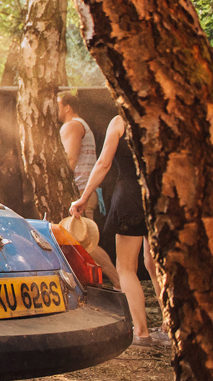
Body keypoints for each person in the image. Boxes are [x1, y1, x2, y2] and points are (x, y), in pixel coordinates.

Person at [71, 114, 169, 347]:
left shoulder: (119, 121)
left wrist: (84, 197)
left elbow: (103, 163)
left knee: (126, 267)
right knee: (155, 264)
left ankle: (142, 332)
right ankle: (169, 326)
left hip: (130, 196)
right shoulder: (165, 115)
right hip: (160, 196)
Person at [56, 91, 121, 286]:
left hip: (80, 191)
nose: (54, 109)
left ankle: (119, 282)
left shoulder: (73, 125)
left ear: (67, 106)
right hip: (84, 191)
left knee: (86, 242)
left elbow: (71, 160)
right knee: (82, 242)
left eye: (57, 104)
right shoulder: (79, 125)